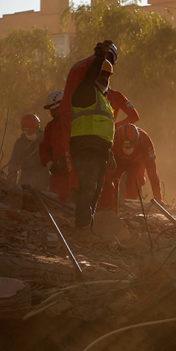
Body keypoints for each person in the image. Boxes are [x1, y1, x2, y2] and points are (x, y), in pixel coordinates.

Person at [68, 42, 117, 231]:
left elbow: (105, 129)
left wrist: (110, 153)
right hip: (84, 147)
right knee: (88, 186)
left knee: (96, 190)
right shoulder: (84, 92)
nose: (105, 78)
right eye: (102, 74)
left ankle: (87, 226)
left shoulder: (104, 100)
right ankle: (81, 227)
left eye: (107, 75)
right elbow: (89, 77)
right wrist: (100, 57)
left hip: (100, 150)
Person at [58, 40, 119, 164]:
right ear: (109, 56)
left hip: (68, 113)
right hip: (80, 120)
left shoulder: (80, 65)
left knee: (72, 162)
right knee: (83, 168)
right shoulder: (95, 65)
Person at [98, 124, 162, 212]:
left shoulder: (145, 141)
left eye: (131, 145)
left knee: (135, 182)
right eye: (125, 145)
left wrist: (158, 198)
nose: (128, 148)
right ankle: (107, 206)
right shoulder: (113, 138)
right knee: (109, 182)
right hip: (118, 161)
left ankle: (130, 208)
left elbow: (152, 172)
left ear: (137, 141)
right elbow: (104, 168)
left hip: (136, 163)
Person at [39, 91, 74, 202]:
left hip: (76, 174)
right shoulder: (50, 127)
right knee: (56, 204)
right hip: (58, 176)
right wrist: (50, 164)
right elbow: (44, 148)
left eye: (55, 110)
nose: (53, 113)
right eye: (51, 110)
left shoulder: (77, 122)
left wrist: (69, 158)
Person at [7, 114, 49, 190]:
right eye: (25, 131)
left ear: (37, 128)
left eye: (30, 131)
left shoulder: (46, 140)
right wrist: (11, 180)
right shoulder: (20, 143)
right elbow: (13, 162)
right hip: (25, 180)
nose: (28, 134)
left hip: (43, 179)